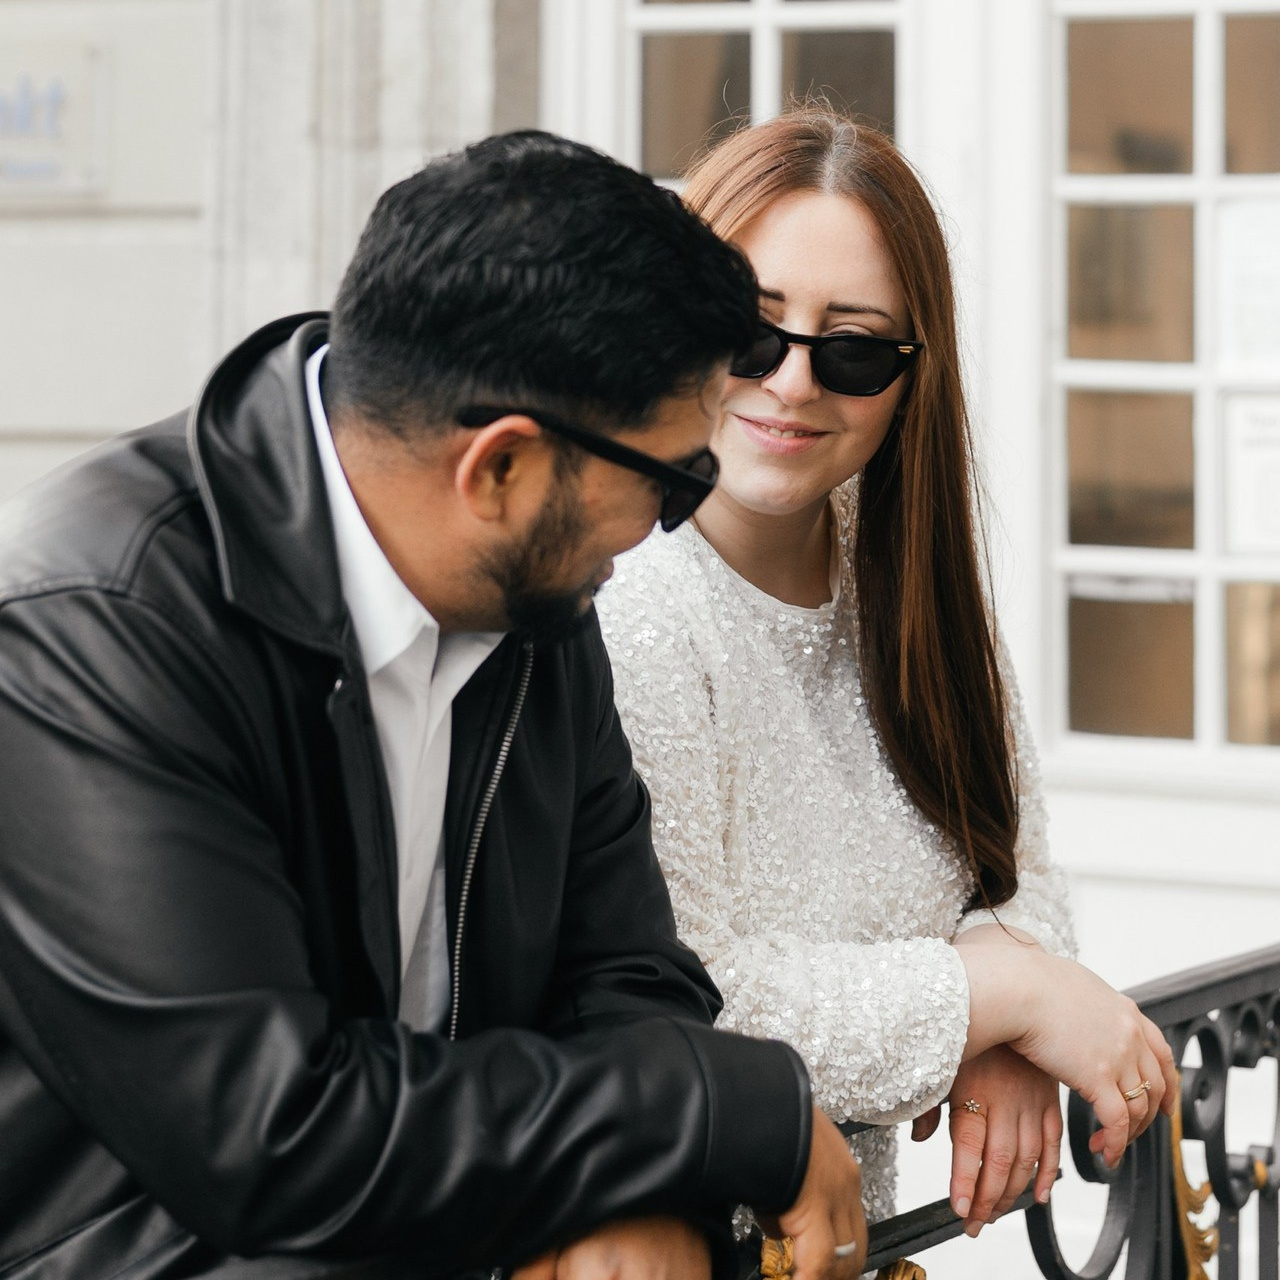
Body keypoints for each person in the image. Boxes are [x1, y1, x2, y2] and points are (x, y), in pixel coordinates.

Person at [0, 131, 868, 1280]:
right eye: (668, 479)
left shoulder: (534, 592)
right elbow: (269, 1133)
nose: (668, 521)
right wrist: (720, 1106)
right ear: (498, 469)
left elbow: (626, 972)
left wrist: (638, 1196)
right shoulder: (97, 622)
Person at [596, 110, 1178, 1238]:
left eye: (854, 347)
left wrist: (1004, 1031)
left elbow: (1013, 869)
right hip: (670, 1240)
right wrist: (999, 1000)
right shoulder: (629, 606)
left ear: (912, 377)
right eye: (749, 330)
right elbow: (689, 994)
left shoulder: (905, 581)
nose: (792, 382)